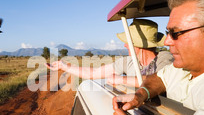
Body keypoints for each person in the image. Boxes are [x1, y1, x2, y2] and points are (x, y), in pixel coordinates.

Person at [45, 19, 174, 87]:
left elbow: (159, 80)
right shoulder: (129, 61)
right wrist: (64, 66)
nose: (125, 44)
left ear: (139, 45)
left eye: (128, 42)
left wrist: (120, 79)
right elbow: (93, 73)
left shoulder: (165, 58)